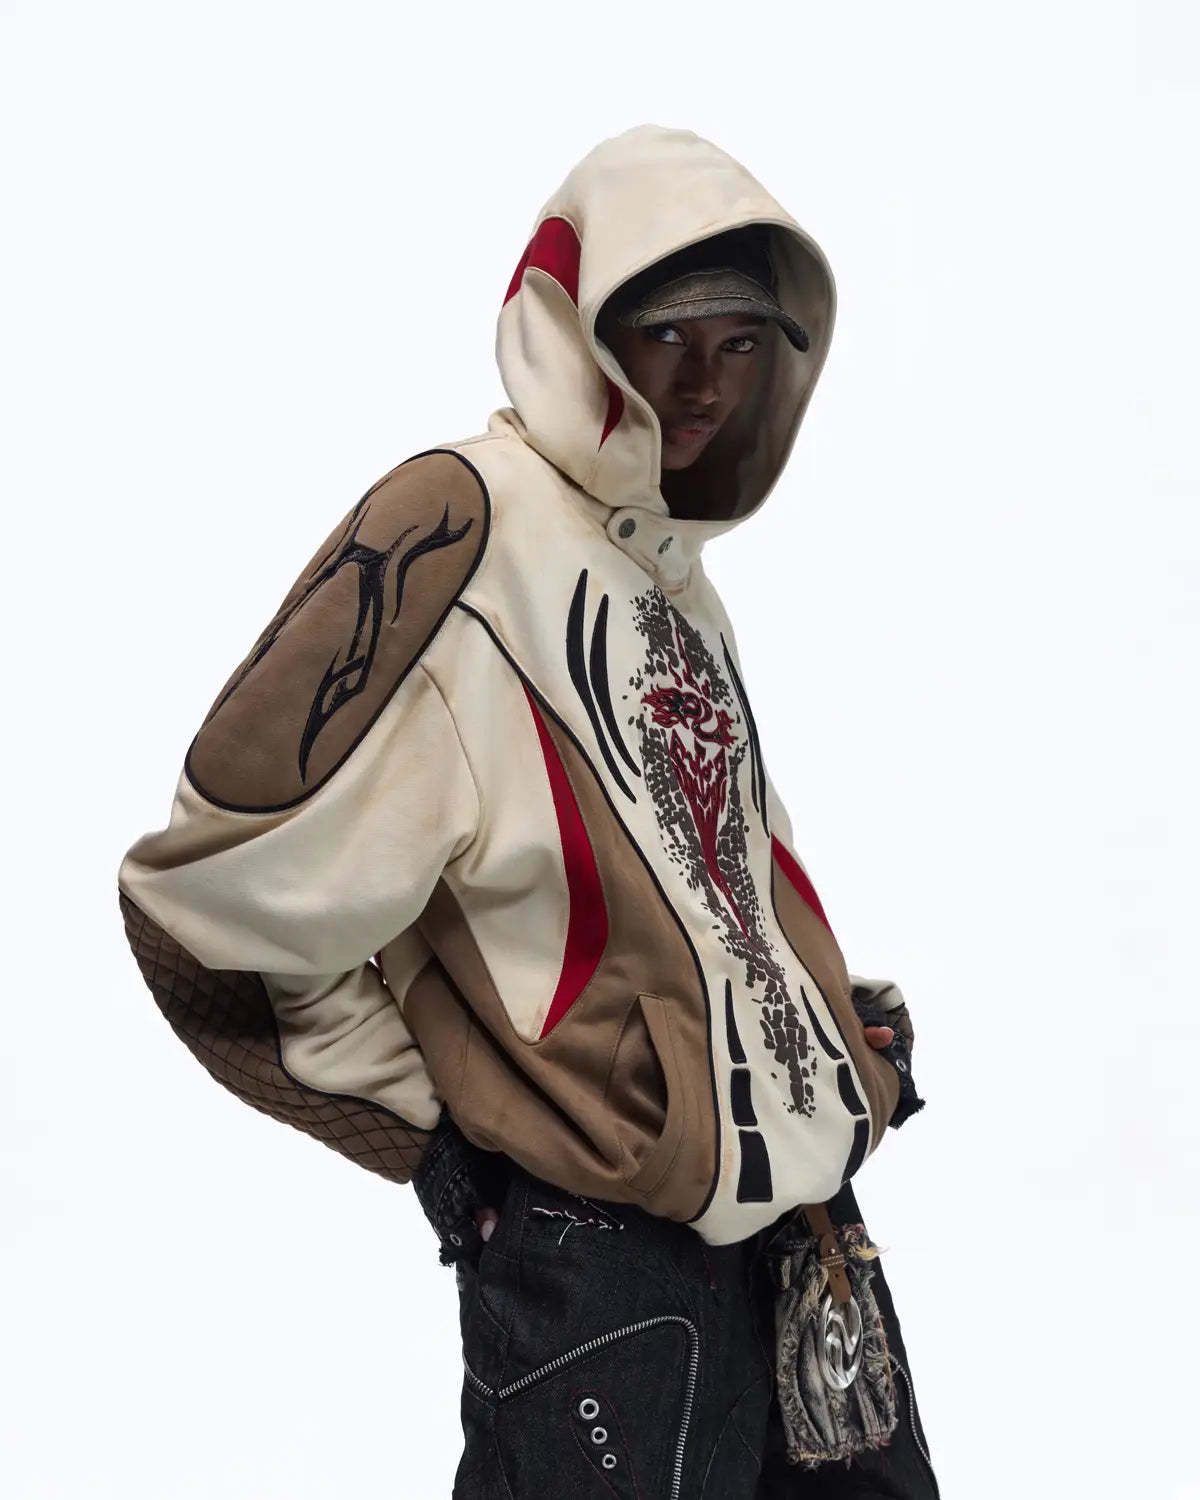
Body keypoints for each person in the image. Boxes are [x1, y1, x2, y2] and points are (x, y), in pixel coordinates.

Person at [117, 123, 939, 1497]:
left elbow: (720, 878)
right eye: (665, 336)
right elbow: (219, 887)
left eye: (741, 344)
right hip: (607, 1267)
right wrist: (436, 1138)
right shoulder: (463, 523)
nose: (704, 384)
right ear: (577, 324)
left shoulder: (669, 574)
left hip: (804, 1243)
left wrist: (824, 1030)